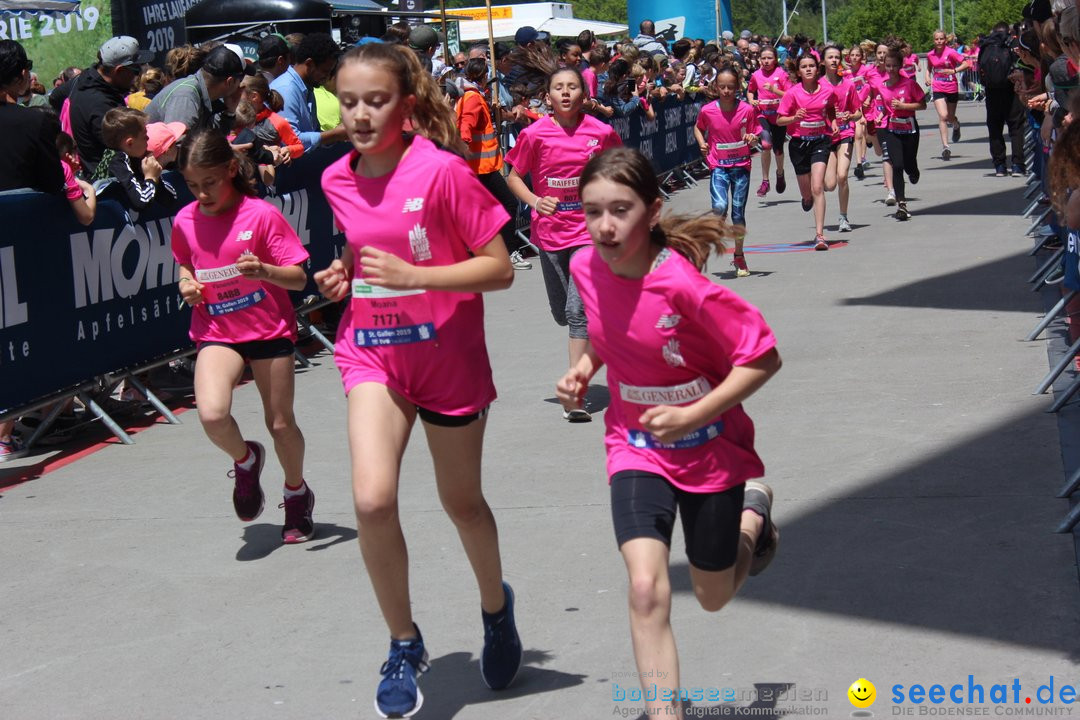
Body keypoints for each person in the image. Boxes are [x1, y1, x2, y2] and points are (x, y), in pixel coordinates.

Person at [314, 42, 520, 719]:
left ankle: (495, 608)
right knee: (372, 501)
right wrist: (343, 272)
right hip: (372, 350)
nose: (362, 115)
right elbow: (362, 243)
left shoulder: (444, 174)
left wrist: (419, 277)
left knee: (462, 503)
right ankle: (403, 642)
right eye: (350, 103)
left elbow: (499, 268)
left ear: (406, 105)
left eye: (376, 101)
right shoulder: (336, 178)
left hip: (448, 358)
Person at [556, 146, 782, 720]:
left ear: (652, 211)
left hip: (710, 452)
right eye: (592, 211)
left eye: (621, 210)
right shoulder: (584, 267)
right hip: (635, 447)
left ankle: (752, 520)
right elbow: (615, 337)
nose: (605, 226)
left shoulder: (683, 286)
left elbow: (763, 358)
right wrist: (585, 369)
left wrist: (696, 412)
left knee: (711, 595)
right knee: (645, 588)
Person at [171, 128, 315, 545]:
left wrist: (265, 271)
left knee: (281, 423)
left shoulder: (261, 215)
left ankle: (296, 494)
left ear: (231, 170)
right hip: (217, 329)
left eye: (210, 183)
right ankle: (246, 459)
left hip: (268, 328)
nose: (202, 193)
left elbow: (299, 277)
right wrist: (186, 285)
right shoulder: (184, 220)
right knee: (213, 415)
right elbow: (185, 265)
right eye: (193, 185)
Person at [505, 64, 622, 421]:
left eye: (573, 86)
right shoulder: (535, 134)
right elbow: (513, 177)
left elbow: (621, 169)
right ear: (548, 96)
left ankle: (575, 394)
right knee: (562, 314)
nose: (567, 92)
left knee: (576, 312)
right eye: (560, 87)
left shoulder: (600, 132)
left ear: (584, 95)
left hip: (589, 233)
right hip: (550, 232)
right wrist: (536, 201)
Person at [455, 57, 533, 270]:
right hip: (479, 167)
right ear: (483, 75)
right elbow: (465, 128)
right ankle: (509, 251)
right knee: (508, 203)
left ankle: (490, 251)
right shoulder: (472, 97)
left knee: (488, 209)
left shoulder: (475, 95)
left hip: (482, 166)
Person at [52, 36, 152, 176]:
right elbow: (129, 148)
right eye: (135, 71)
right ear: (119, 70)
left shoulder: (83, 79)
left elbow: (55, 97)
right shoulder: (101, 106)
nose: (137, 76)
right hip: (112, 182)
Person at [693, 65, 758, 277]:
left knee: (738, 213)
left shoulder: (747, 110)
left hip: (740, 166)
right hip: (718, 165)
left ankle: (739, 256)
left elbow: (755, 131)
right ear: (716, 87)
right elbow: (698, 127)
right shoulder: (708, 110)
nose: (727, 91)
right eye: (722, 87)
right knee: (720, 206)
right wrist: (702, 143)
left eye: (731, 87)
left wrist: (752, 137)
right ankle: (714, 232)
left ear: (738, 86)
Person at [777, 53, 834, 250]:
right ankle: (806, 198)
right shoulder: (792, 93)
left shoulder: (826, 90)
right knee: (807, 191)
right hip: (799, 144)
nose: (808, 69)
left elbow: (832, 107)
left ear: (817, 69)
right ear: (799, 71)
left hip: (820, 141)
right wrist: (794, 118)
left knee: (817, 187)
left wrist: (833, 122)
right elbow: (779, 120)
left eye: (811, 66)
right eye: (804, 66)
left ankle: (819, 235)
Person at [868, 48, 927, 221]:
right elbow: (884, 106)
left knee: (908, 164)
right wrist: (880, 115)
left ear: (901, 66)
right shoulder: (881, 86)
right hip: (892, 129)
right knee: (897, 165)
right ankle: (902, 204)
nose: (891, 69)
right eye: (888, 66)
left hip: (910, 129)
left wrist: (905, 107)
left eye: (894, 66)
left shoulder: (909, 84)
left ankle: (914, 170)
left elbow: (922, 104)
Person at [269, 32, 348, 152]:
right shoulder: (286, 89)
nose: (327, 77)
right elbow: (290, 141)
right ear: (310, 64)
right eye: (325, 71)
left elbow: (312, 133)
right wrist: (334, 134)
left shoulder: (307, 88)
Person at [146, 45, 249, 134]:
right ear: (230, 81)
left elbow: (208, 137)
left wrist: (230, 111)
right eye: (240, 79)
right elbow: (177, 148)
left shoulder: (204, 94)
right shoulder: (186, 96)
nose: (240, 86)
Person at [94, 107, 179, 211]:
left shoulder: (137, 157)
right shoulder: (117, 160)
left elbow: (171, 199)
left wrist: (155, 176)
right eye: (144, 136)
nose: (148, 138)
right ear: (130, 143)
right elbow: (141, 201)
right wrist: (151, 177)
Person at [822, 45, 862, 233]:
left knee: (843, 176)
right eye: (830, 57)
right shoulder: (818, 85)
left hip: (846, 133)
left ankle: (843, 217)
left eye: (837, 57)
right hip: (827, 136)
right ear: (823, 61)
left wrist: (849, 117)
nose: (834, 60)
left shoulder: (848, 84)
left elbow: (858, 112)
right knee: (829, 185)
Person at [980, 22, 1027, 176]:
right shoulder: (1012, 43)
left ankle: (999, 165)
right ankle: (1017, 165)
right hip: (1011, 89)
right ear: (1008, 31)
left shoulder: (986, 46)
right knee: (1016, 127)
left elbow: (980, 69)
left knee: (995, 129)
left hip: (992, 92)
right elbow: (1020, 64)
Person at [746, 45, 790, 197]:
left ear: (775, 59)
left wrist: (774, 90)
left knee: (778, 149)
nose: (766, 61)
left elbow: (789, 95)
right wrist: (752, 100)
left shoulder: (782, 74)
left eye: (769, 58)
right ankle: (765, 181)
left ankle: (780, 172)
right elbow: (750, 91)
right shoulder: (756, 75)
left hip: (778, 116)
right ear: (759, 59)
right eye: (763, 58)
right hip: (762, 114)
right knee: (766, 145)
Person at [925, 29, 970, 160]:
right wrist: (928, 77)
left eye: (941, 39)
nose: (939, 41)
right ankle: (946, 146)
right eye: (936, 39)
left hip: (951, 87)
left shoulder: (951, 52)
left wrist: (953, 70)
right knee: (943, 116)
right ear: (933, 41)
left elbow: (966, 63)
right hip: (938, 86)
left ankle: (956, 125)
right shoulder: (930, 55)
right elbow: (929, 68)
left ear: (945, 40)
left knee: (950, 117)